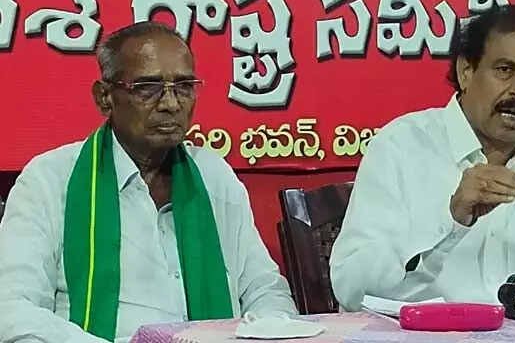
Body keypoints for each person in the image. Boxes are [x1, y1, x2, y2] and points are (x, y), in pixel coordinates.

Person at [0, 22, 297, 343]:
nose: (170, 103)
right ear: (104, 98)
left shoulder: (214, 177)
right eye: (147, 88)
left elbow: (265, 289)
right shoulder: (50, 180)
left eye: (183, 86)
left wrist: (270, 330)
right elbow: (12, 308)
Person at [330, 4, 515, 311]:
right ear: (466, 71)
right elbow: (352, 288)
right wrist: (452, 217)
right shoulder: (401, 145)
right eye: (505, 70)